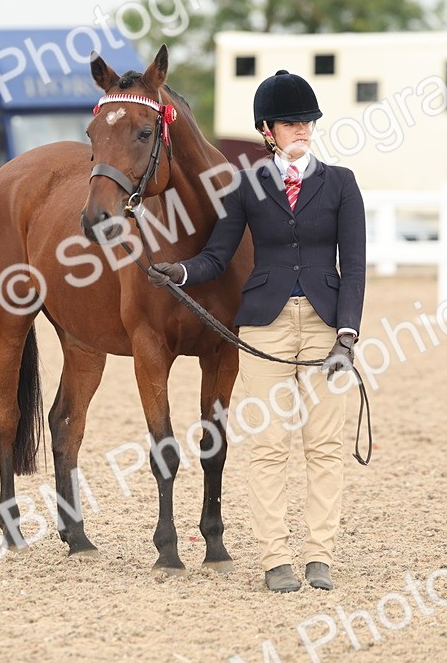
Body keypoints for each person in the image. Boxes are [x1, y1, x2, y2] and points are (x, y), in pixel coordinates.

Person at [148, 69, 366, 592]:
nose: (302, 130)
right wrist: (179, 272)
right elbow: (219, 256)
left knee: (323, 446)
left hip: (324, 327)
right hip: (264, 328)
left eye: (307, 122)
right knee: (268, 445)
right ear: (267, 129)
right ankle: (275, 559)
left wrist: (348, 336)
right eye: (291, 123)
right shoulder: (246, 188)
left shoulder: (341, 184)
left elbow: (354, 266)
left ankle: (319, 555)